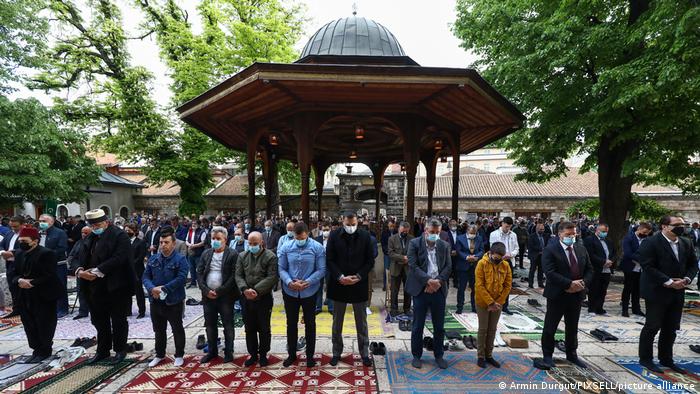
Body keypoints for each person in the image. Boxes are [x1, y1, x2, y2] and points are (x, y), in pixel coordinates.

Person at [638, 216, 698, 374]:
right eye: (676, 225)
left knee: (671, 327)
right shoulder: (651, 242)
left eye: (683, 224)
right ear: (664, 227)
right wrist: (669, 281)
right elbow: (648, 266)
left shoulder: (686, 242)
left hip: (678, 291)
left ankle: (666, 358)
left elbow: (693, 264)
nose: (681, 227)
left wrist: (686, 279)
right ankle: (646, 358)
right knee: (652, 326)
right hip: (657, 290)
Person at [75, 209, 136, 364]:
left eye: (98, 224)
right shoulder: (90, 237)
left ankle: (120, 350)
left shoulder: (119, 236)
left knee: (118, 320)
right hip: (93, 287)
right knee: (99, 320)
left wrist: (97, 271)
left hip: (116, 286)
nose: (95, 228)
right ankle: (102, 350)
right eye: (93, 225)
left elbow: (120, 258)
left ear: (106, 222)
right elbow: (77, 256)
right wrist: (80, 270)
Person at [538, 221, 593, 370]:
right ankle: (547, 355)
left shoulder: (580, 248)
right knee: (551, 326)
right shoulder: (551, 250)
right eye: (568, 234)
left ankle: (572, 353)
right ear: (560, 234)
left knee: (572, 326)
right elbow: (550, 272)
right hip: (558, 294)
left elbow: (589, 269)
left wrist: (581, 284)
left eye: (574, 234)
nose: (571, 237)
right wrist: (569, 284)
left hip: (576, 295)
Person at [326, 211, 374, 367]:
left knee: (361, 322)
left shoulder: (365, 236)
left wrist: (359, 276)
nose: (351, 227)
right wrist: (340, 277)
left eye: (354, 225)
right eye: (348, 225)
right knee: (337, 322)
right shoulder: (334, 236)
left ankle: (364, 353)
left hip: (358, 283)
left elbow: (370, 261)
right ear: (342, 222)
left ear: (358, 223)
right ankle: (336, 352)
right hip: (339, 283)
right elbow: (330, 259)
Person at [9, 226, 63, 362]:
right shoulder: (20, 253)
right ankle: (36, 349)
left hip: (43, 294)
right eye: (20, 240)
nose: (21, 243)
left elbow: (49, 274)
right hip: (25, 294)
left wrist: (32, 282)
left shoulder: (46, 253)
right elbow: (13, 272)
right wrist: (19, 280)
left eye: (25, 240)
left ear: (35, 241)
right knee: (29, 323)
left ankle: (45, 350)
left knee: (44, 322)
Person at [278, 222, 326, 367]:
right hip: (290, 291)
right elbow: (281, 268)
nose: (300, 241)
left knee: (310, 324)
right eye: (297, 238)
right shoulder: (286, 247)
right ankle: (292, 354)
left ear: (308, 234)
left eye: (302, 238)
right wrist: (289, 282)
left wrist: (307, 282)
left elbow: (321, 269)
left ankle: (310, 356)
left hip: (309, 291)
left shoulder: (317, 248)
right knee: (291, 323)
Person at [406, 218, 452, 370]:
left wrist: (437, 282)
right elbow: (413, 265)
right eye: (432, 232)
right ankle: (416, 355)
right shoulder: (414, 244)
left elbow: (448, 267)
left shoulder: (444, 245)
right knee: (418, 325)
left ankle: (439, 355)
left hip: (438, 289)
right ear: (426, 231)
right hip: (421, 289)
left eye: (437, 233)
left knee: (439, 326)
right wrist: (428, 281)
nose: (435, 235)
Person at [142, 231, 189, 368]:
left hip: (173, 301)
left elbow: (181, 278)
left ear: (173, 244)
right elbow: (145, 277)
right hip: (155, 300)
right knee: (159, 329)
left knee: (177, 328)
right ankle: (159, 354)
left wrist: (164, 289)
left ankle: (179, 355)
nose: (163, 245)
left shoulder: (180, 260)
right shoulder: (153, 259)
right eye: (161, 243)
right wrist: (152, 289)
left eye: (166, 242)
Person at [198, 226, 240, 364]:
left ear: (225, 240)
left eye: (218, 239)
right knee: (210, 325)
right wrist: (206, 290)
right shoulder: (206, 253)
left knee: (228, 325)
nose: (215, 241)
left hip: (225, 296)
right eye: (213, 238)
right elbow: (199, 273)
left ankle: (229, 351)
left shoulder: (232, 254)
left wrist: (219, 291)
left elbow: (234, 276)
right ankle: (212, 351)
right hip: (208, 296)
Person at [235, 232, 278, 367]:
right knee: (249, 328)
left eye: (255, 244)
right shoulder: (242, 256)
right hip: (246, 298)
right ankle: (253, 354)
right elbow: (238, 275)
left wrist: (256, 290)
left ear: (262, 243)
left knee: (264, 328)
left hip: (263, 298)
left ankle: (263, 354)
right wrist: (244, 289)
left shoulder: (270, 256)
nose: (252, 246)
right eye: (250, 243)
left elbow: (272, 277)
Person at [474, 242, 511, 368]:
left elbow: (507, 285)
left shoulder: (505, 265)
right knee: (483, 329)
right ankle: (480, 356)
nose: (497, 261)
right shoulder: (481, 264)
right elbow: (479, 285)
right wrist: (490, 302)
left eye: (500, 259)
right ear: (490, 253)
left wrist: (498, 303)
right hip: (483, 302)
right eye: (495, 258)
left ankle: (489, 355)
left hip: (497, 303)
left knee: (492, 329)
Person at [38, 214, 69, 318]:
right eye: (40, 220)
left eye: (44, 221)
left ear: (51, 222)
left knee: (60, 286)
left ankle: (62, 309)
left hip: (58, 264)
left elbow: (62, 248)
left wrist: (46, 254)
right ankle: (49, 308)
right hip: (42, 265)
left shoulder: (60, 233)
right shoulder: (39, 233)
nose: (41, 222)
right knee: (45, 287)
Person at [583, 223, 616, 316]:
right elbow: (590, 254)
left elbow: (614, 252)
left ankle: (599, 308)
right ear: (597, 231)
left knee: (603, 289)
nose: (604, 233)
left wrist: (611, 261)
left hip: (607, 269)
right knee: (594, 289)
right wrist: (603, 262)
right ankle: (592, 308)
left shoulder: (609, 241)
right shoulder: (590, 240)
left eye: (606, 232)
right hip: (596, 268)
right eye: (603, 231)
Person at [621, 223, 652, 317]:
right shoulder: (628, 238)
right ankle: (625, 309)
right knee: (628, 288)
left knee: (637, 290)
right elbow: (628, 253)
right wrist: (642, 260)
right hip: (630, 267)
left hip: (641, 269)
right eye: (644, 232)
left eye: (647, 233)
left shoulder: (646, 240)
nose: (645, 234)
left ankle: (636, 309)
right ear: (639, 229)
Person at [488, 217, 518, 314]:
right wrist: (501, 256)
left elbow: (517, 248)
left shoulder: (513, 235)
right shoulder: (494, 234)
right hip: (497, 261)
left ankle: (505, 306)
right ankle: (492, 303)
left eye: (509, 227)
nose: (507, 228)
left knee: (507, 284)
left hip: (509, 260)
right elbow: (492, 248)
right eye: (506, 226)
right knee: (495, 283)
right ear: (502, 224)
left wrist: (511, 254)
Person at [455, 225, 485, 314]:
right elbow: (458, 251)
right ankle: (459, 307)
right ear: (467, 231)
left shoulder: (479, 238)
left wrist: (477, 256)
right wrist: (467, 257)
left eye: (474, 233)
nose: (473, 235)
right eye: (471, 233)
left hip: (475, 266)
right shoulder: (460, 238)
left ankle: (474, 307)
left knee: (475, 288)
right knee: (461, 288)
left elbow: (482, 250)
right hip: (463, 266)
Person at [387, 222, 414, 316]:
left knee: (408, 290)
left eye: (406, 231)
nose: (404, 233)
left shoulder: (412, 239)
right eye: (403, 231)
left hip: (407, 268)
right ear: (399, 229)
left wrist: (408, 258)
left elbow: (414, 252)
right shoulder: (392, 239)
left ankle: (407, 309)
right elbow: (390, 253)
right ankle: (394, 309)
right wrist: (403, 258)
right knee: (394, 290)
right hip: (396, 268)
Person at [66, 226, 92, 319]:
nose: (84, 234)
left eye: (86, 233)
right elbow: (72, 257)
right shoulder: (78, 243)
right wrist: (78, 269)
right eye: (82, 232)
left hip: (92, 272)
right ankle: (83, 311)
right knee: (81, 291)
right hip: (80, 271)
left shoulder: (97, 242)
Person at [1, 216, 24, 317]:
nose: (14, 229)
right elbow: (1, 244)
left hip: (22, 264)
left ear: (23, 224)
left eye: (16, 226)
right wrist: (3, 252)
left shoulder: (28, 234)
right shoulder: (9, 233)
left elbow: (28, 247)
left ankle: (25, 308)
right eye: (12, 226)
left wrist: (13, 253)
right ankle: (16, 309)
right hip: (10, 264)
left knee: (22, 288)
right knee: (12, 287)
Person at [125, 224, 147, 318]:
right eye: (125, 230)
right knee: (127, 292)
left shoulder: (140, 242)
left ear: (134, 231)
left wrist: (130, 265)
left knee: (138, 292)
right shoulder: (125, 242)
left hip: (137, 271)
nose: (126, 232)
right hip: (126, 271)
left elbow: (140, 257)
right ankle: (128, 311)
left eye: (128, 230)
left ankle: (141, 311)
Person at [313, 222, 331, 314]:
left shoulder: (333, 239)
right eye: (324, 230)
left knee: (330, 286)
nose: (325, 232)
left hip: (330, 266)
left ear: (330, 230)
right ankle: (318, 307)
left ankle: (331, 307)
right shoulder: (316, 240)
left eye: (327, 230)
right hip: (319, 267)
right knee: (318, 287)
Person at [527, 223, 549, 289]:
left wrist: (545, 250)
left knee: (541, 270)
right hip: (534, 255)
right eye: (541, 229)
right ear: (537, 229)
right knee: (532, 270)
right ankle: (530, 284)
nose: (542, 230)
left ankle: (540, 283)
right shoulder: (532, 236)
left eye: (543, 229)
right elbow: (531, 246)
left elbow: (547, 244)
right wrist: (540, 250)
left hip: (542, 256)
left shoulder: (545, 236)